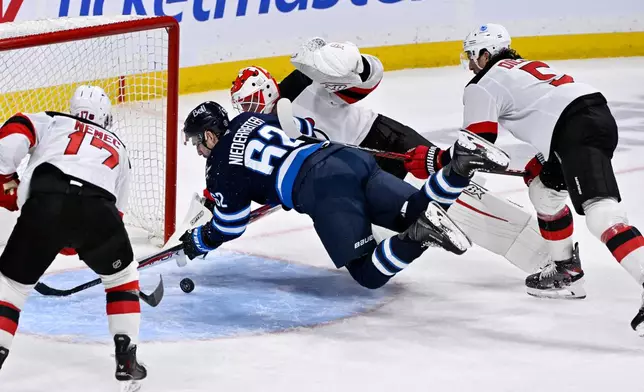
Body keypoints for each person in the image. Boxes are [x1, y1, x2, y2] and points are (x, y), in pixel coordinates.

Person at [406, 23, 644, 334]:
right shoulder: (522, 68)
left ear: (486, 53)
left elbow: (476, 144)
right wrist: (546, 158)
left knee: (602, 214)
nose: (469, 63)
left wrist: (435, 160)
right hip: (589, 120)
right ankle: (565, 272)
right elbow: (547, 108)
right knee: (543, 191)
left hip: (574, 130)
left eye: (472, 56)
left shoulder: (484, 82)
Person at [178, 101, 510, 291]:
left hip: (322, 188)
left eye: (197, 143)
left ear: (209, 134)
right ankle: (460, 165)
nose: (198, 151)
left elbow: (231, 224)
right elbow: (305, 127)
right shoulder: (248, 118)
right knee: (415, 210)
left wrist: (201, 239)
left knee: (367, 273)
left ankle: (420, 236)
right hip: (347, 158)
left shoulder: (218, 168)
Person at [0, 85, 147, 381]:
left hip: (45, 204)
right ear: (106, 119)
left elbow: (13, 132)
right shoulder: (119, 147)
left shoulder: (54, 120)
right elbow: (116, 214)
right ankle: (126, 358)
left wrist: (5, 178)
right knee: (121, 278)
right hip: (98, 212)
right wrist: (76, 240)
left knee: (12, 288)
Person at [229, 37, 451, 180]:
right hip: (355, 167)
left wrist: (356, 66)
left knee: (450, 173)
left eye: (251, 102)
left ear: (267, 89)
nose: (250, 110)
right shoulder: (264, 129)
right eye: (244, 106)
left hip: (382, 136)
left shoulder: (302, 81)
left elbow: (366, 83)